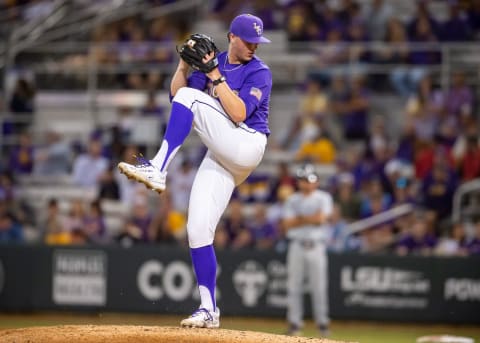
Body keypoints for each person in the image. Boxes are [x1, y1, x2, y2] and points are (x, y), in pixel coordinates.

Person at [117, 13, 272, 328]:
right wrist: (184, 66)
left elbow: (240, 112)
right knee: (198, 229)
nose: (254, 45)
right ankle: (208, 309)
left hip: (247, 144)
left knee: (192, 97)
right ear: (232, 37)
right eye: (248, 40)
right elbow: (177, 97)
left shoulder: (260, 72)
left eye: (258, 41)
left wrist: (214, 72)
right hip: (221, 154)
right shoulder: (216, 65)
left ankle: (158, 168)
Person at [282, 164, 333, 337]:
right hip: (296, 244)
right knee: (293, 286)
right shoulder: (292, 199)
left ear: (317, 182)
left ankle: (322, 324)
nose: (308, 184)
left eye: (311, 180)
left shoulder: (323, 197)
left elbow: (321, 219)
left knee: (319, 287)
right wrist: (309, 218)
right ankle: (295, 323)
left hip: (316, 246)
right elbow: (287, 224)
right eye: (304, 180)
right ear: (299, 182)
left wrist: (300, 218)